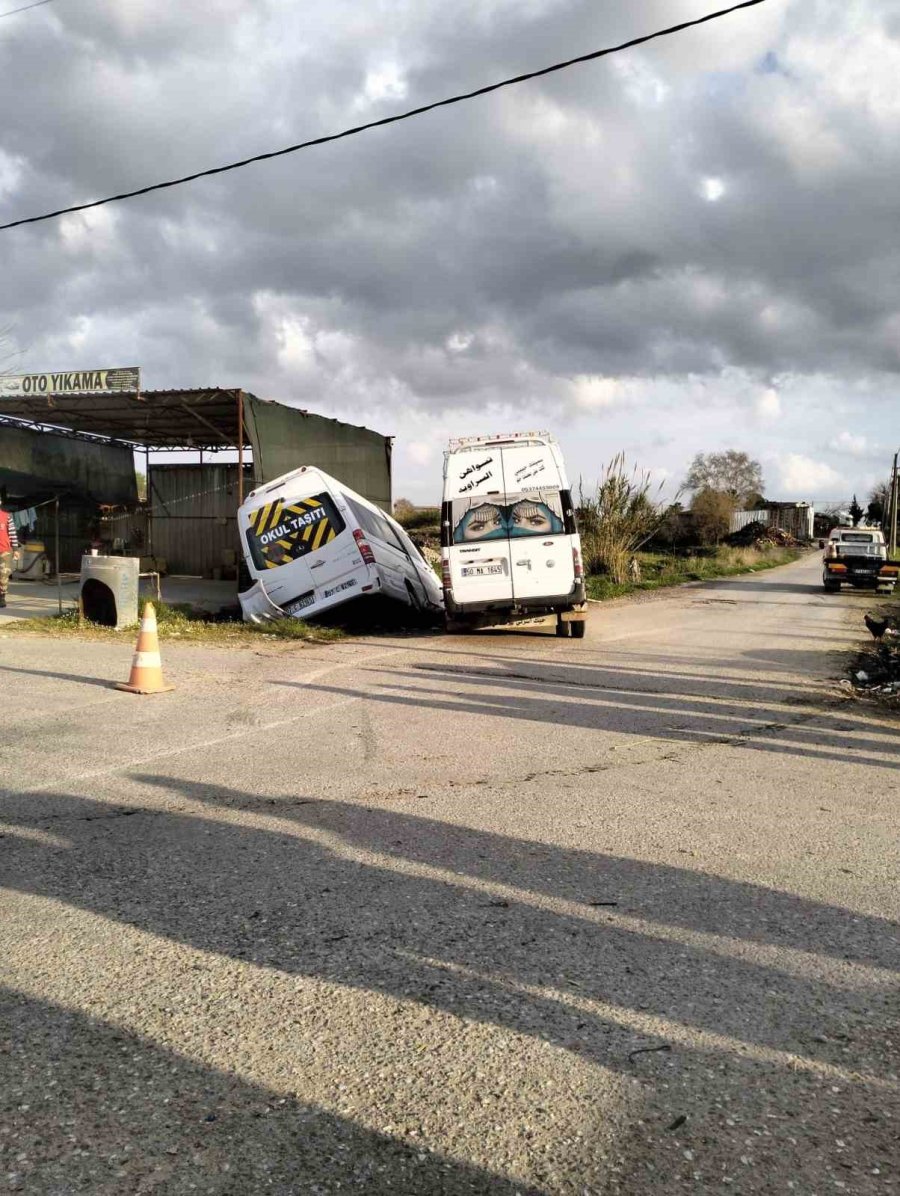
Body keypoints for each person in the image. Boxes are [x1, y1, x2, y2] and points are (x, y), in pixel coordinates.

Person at [0, 504, 19, 608]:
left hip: (4, 551)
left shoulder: (6, 516)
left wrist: (15, 549)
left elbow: (12, 533)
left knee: (4, 574)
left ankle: (2, 597)